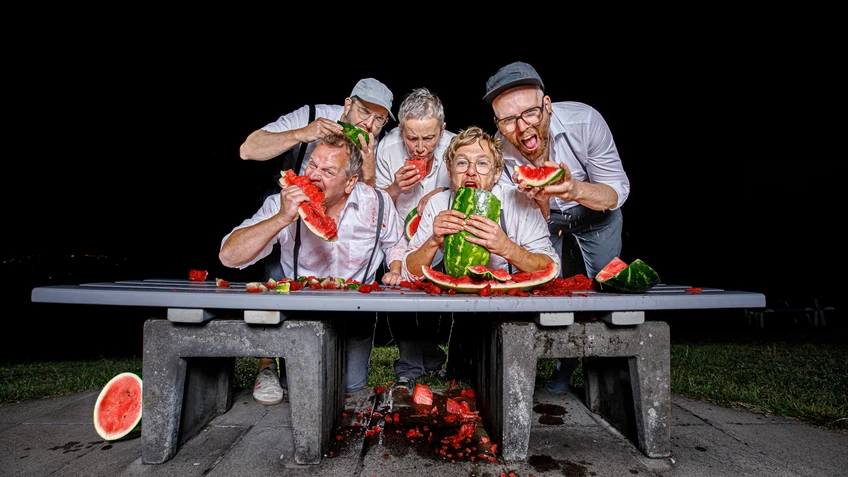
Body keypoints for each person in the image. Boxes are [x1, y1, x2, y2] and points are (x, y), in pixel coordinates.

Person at [220, 132, 407, 405]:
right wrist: (282, 218)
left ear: (350, 181)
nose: (315, 176)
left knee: (351, 390)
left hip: (355, 315)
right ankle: (270, 364)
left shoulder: (378, 204)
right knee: (299, 391)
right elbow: (229, 256)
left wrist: (396, 266)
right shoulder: (284, 203)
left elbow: (396, 242)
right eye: (312, 166)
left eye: (328, 171)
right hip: (302, 314)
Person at [483, 61, 631, 394]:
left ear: (546, 105)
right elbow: (520, 212)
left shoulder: (585, 122)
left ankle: (604, 378)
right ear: (497, 122)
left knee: (605, 293)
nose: (521, 128)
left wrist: (573, 189)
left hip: (598, 214)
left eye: (530, 113)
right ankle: (558, 364)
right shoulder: (500, 149)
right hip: (547, 219)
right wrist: (544, 206)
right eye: (508, 119)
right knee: (551, 289)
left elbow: (617, 192)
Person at [402, 126, 560, 381]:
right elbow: (409, 273)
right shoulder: (439, 204)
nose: (471, 171)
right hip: (462, 313)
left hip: (512, 311)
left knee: (503, 385)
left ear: (497, 172)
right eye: (462, 163)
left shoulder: (518, 201)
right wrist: (433, 240)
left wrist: (506, 247)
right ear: (450, 171)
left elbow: (551, 267)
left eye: (482, 163)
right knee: (460, 388)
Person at [239, 77, 395, 282]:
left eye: (379, 119)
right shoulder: (311, 116)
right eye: (364, 111)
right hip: (292, 222)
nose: (368, 124)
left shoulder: (379, 142)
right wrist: (302, 133)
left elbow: (371, 207)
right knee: (282, 285)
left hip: (345, 227)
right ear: (348, 104)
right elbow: (248, 150)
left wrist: (369, 175)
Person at [374, 87, 456, 390]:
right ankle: (408, 365)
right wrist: (396, 187)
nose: (420, 148)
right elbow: (378, 201)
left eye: (429, 138)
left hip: (441, 231)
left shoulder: (457, 145)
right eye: (412, 138)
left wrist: (439, 193)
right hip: (399, 230)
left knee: (436, 294)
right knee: (400, 297)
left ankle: (433, 357)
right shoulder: (387, 148)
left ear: (443, 130)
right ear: (400, 129)